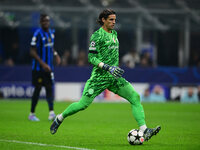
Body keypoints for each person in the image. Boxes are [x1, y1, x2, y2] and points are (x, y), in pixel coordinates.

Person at [50, 9, 161, 141]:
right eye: (111, 20)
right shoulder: (97, 36)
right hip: (99, 78)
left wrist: (114, 68)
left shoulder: (114, 34)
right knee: (82, 105)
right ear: (103, 20)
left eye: (115, 19)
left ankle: (144, 130)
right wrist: (107, 67)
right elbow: (91, 58)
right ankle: (59, 118)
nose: (114, 22)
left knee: (135, 97)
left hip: (114, 77)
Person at [29, 14, 61, 121]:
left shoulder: (51, 33)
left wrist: (56, 55)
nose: (46, 23)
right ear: (40, 22)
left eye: (47, 21)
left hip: (49, 68)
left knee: (49, 89)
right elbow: (32, 51)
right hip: (38, 68)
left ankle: (51, 113)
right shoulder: (37, 34)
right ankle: (32, 114)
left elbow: (51, 47)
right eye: (43, 21)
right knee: (37, 89)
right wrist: (43, 64)